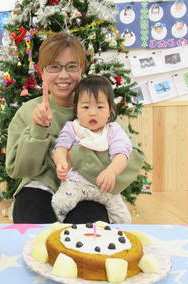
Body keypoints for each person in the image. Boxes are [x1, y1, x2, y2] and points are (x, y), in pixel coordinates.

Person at [5, 32, 144, 224]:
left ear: (81, 69)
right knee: (32, 220)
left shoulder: (100, 111)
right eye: (54, 67)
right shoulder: (28, 111)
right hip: (38, 188)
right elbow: (18, 169)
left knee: (87, 226)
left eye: (71, 66)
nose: (63, 75)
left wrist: (77, 157)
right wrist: (38, 129)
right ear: (42, 72)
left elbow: (132, 157)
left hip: (87, 188)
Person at [51, 75, 132, 224]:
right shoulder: (73, 128)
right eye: (86, 107)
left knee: (123, 218)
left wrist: (111, 171)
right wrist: (61, 162)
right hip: (76, 184)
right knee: (59, 204)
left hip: (105, 188)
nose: (93, 113)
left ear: (110, 110)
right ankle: (58, 232)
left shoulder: (113, 130)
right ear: (76, 110)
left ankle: (117, 240)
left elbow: (122, 154)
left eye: (100, 107)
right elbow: (60, 147)